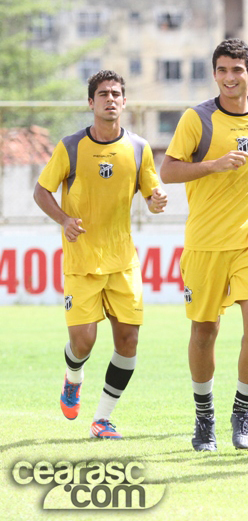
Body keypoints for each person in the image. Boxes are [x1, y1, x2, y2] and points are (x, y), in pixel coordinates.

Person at [161, 39, 248, 452]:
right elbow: (168, 171)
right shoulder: (196, 118)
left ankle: (242, 411)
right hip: (205, 243)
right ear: (215, 74)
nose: (229, 77)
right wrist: (213, 165)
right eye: (222, 70)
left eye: (237, 70)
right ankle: (205, 419)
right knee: (205, 330)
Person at [33, 70, 168, 440]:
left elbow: (153, 196)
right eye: (103, 94)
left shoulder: (139, 148)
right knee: (83, 342)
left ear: (125, 102)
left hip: (123, 262)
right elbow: (42, 191)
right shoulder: (71, 147)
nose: (111, 99)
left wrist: (157, 201)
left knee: (128, 341)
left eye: (117, 94)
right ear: (90, 102)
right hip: (81, 262)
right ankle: (73, 378)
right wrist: (63, 219)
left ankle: (102, 419)